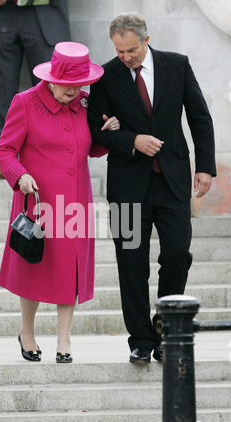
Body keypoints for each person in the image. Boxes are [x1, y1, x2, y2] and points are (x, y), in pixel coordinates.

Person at [87, 12, 216, 364]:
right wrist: (132, 140)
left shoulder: (177, 65)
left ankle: (166, 328)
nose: (125, 57)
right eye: (119, 52)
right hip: (127, 186)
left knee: (177, 254)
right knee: (131, 265)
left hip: (172, 180)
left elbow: (200, 117)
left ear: (146, 39)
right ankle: (141, 340)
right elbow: (94, 132)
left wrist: (205, 168)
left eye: (131, 50)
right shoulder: (104, 76)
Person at [0, 41, 119, 363]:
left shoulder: (86, 104)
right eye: (68, 87)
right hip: (38, 199)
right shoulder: (24, 102)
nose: (73, 92)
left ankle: (64, 339)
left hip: (75, 199)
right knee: (33, 266)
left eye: (80, 86)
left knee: (70, 270)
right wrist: (19, 175)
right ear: (51, 79)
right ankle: (27, 331)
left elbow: (89, 149)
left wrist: (106, 134)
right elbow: (4, 150)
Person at [0, 0, 71, 180]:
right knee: (1, 89)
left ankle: (55, 157)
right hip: (4, 11)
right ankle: (4, 162)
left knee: (51, 90)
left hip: (45, 11)